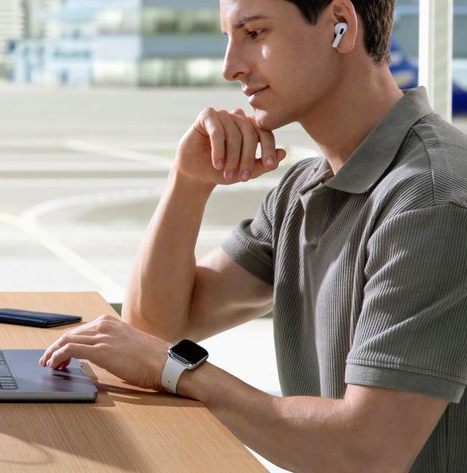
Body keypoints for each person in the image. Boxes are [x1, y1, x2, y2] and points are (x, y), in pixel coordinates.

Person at [38, 0, 467, 471]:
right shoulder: (302, 188)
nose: (230, 68)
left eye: (255, 33)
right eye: (228, 37)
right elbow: (154, 326)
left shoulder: (430, 199)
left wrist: (180, 370)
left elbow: (367, 451)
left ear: (340, 26)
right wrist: (188, 181)